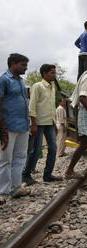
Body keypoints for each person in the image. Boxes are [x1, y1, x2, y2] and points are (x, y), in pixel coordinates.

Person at [23, 64, 62, 185]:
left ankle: (48, 175)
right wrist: (33, 124)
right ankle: (26, 175)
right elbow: (32, 105)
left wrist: (55, 123)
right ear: (44, 74)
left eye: (54, 73)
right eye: (52, 73)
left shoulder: (53, 86)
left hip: (49, 122)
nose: (54, 75)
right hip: (39, 123)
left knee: (53, 148)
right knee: (36, 150)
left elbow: (51, 106)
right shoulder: (37, 86)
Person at [0, 54, 31, 203]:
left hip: (23, 125)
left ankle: (16, 187)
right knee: (5, 159)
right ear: (13, 64)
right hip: (8, 127)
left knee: (20, 157)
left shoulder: (21, 81)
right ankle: (3, 192)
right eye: (23, 65)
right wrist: (2, 128)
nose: (25, 68)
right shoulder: (4, 80)